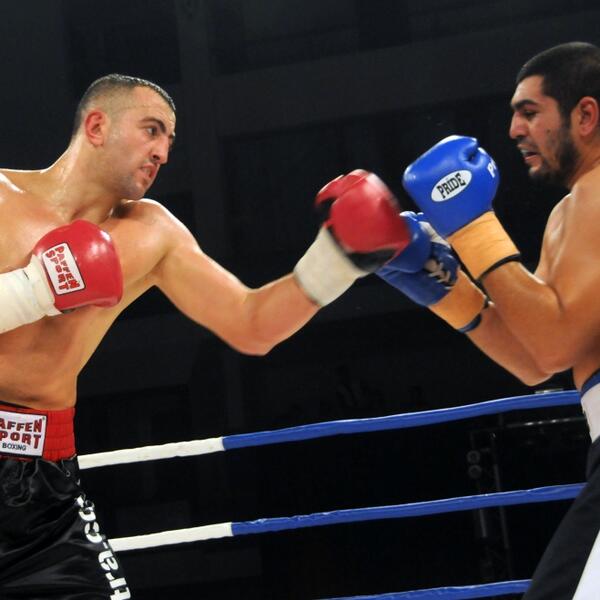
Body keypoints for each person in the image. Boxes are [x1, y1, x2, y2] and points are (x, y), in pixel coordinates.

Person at [0, 74, 420, 599]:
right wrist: (34, 290)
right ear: (97, 126)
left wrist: (338, 260)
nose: (162, 153)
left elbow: (251, 324)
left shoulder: (153, 233)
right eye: (151, 130)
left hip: (44, 489)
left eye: (169, 141)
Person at [378, 41, 600, 598]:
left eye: (530, 111)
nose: (514, 130)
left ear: (585, 115)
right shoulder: (569, 214)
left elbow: (551, 346)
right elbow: (534, 360)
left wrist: (473, 228)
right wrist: (442, 285)